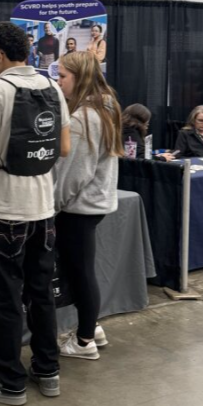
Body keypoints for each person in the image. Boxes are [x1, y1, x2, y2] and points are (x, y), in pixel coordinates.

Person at [0, 22, 71, 406]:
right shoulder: (52, 86)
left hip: (5, 210)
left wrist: (4, 153)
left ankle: (9, 383)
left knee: (7, 299)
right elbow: (62, 148)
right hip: (43, 209)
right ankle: (48, 371)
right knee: (41, 293)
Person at [54, 50, 123, 360]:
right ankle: (90, 327)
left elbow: (73, 174)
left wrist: (53, 205)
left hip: (79, 207)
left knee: (81, 271)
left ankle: (84, 342)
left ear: (79, 78)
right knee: (82, 269)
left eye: (63, 76)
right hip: (94, 203)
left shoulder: (83, 116)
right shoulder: (106, 105)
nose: (58, 81)